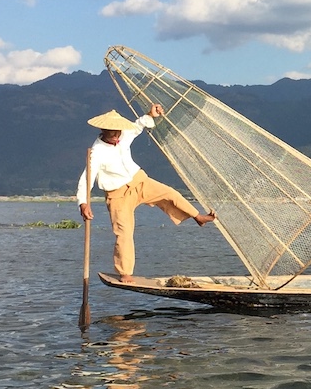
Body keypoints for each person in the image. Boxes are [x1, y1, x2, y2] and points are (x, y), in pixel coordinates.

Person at [77, 104, 215, 282]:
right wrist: (83, 203)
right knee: (124, 232)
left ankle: (198, 217)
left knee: (169, 193)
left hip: (139, 181)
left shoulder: (123, 135)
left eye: (118, 132)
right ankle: (125, 272)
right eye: (112, 133)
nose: (116, 135)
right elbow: (87, 178)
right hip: (118, 194)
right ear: (103, 131)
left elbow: (137, 126)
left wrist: (150, 114)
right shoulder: (97, 152)